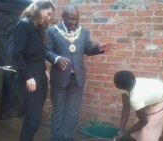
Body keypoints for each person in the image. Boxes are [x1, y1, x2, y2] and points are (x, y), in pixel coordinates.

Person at [45, 4, 113, 141]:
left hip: (77, 79)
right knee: (58, 110)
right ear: (63, 17)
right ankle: (56, 138)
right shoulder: (52, 31)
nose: (74, 22)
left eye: (76, 19)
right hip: (59, 78)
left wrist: (98, 49)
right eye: (70, 19)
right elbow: (46, 51)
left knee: (73, 111)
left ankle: (68, 137)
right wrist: (56, 58)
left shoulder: (83, 32)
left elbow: (87, 50)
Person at [13, 1, 54, 141]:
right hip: (30, 78)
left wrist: (44, 70)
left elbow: (38, 53)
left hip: (40, 76)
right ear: (39, 9)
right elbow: (17, 53)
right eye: (48, 14)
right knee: (34, 119)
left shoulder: (37, 28)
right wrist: (28, 76)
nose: (48, 18)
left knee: (35, 118)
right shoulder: (24, 25)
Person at [113, 70, 163, 141]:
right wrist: (121, 130)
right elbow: (126, 107)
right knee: (141, 123)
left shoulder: (136, 97)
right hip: (154, 97)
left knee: (148, 127)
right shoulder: (128, 83)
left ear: (119, 86)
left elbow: (143, 122)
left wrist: (125, 134)